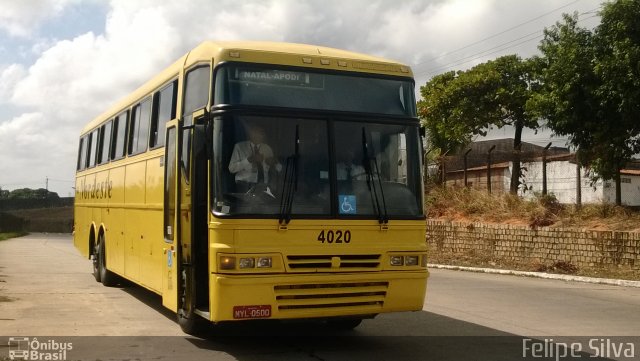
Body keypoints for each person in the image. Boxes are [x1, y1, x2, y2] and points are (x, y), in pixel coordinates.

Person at [228, 124, 282, 194]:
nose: (258, 135)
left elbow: (279, 169)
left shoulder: (267, 149)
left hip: (263, 186)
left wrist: (274, 162)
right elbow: (231, 169)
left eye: (261, 132)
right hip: (244, 185)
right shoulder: (239, 147)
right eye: (255, 132)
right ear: (250, 133)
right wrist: (249, 160)